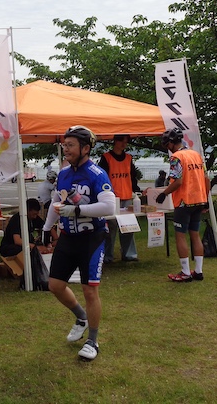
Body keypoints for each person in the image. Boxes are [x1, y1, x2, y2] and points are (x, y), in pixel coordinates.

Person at [44, 125, 116, 362]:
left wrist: (76, 211)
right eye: (64, 145)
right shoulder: (64, 173)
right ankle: (81, 317)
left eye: (71, 145)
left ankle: (93, 341)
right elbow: (56, 202)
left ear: (85, 148)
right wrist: (46, 228)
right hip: (67, 237)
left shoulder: (97, 173)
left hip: (91, 239)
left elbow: (109, 207)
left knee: (89, 290)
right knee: (55, 285)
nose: (66, 149)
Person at [153, 128, 211, 282]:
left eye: (167, 145)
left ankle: (185, 272)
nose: (167, 148)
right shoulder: (196, 154)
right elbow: (206, 179)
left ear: (172, 143)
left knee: (180, 235)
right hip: (199, 200)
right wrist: (205, 198)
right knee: (195, 235)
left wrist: (164, 193)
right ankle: (198, 271)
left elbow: (177, 181)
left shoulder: (176, 157)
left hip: (184, 202)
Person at [98, 134, 141, 263]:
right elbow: (102, 178)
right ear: (115, 141)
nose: (124, 144)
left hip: (126, 196)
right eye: (122, 141)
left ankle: (129, 254)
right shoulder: (106, 158)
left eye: (126, 142)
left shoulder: (128, 158)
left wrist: (136, 190)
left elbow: (133, 177)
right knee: (110, 227)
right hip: (112, 198)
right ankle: (107, 255)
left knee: (128, 227)